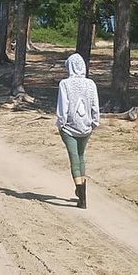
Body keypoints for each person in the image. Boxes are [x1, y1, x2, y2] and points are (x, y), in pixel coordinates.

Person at [56, 53, 99, 209]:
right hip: (86, 128)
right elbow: (95, 105)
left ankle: (81, 197)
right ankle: (82, 193)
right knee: (81, 157)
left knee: (74, 159)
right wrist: (94, 123)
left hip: (69, 128)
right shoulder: (91, 84)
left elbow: (63, 106)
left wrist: (60, 124)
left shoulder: (64, 84)